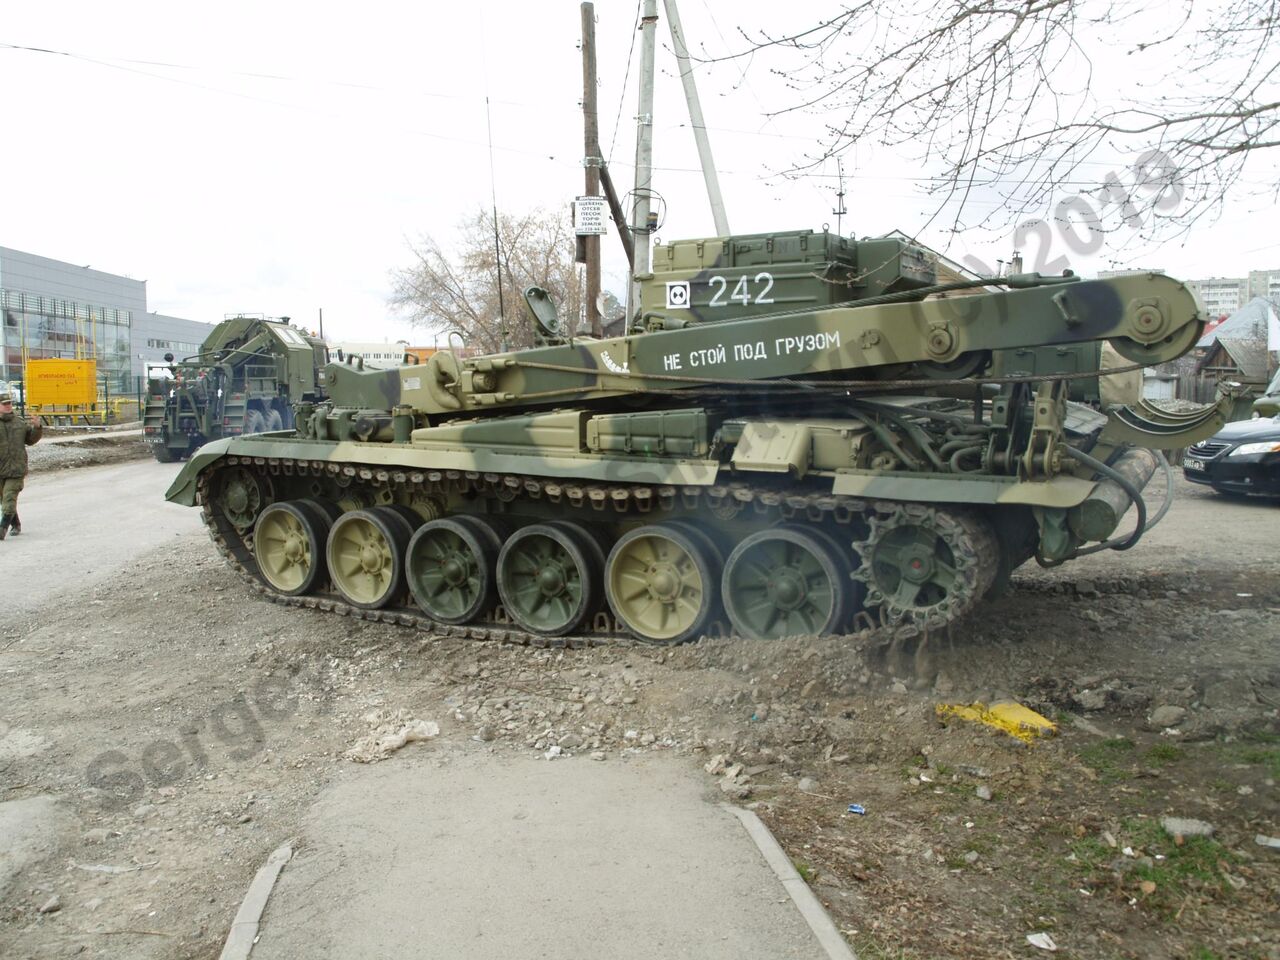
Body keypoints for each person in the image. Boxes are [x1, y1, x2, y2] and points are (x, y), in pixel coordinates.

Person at [0, 381, 42, 540]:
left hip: (16, 468)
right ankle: (16, 524)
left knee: (9, 496)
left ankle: (2, 527)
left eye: (9, 403)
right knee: (4, 499)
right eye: (4, 404)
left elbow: (31, 440)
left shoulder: (19, 423)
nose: (8, 406)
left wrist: (37, 427)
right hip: (0, 468)